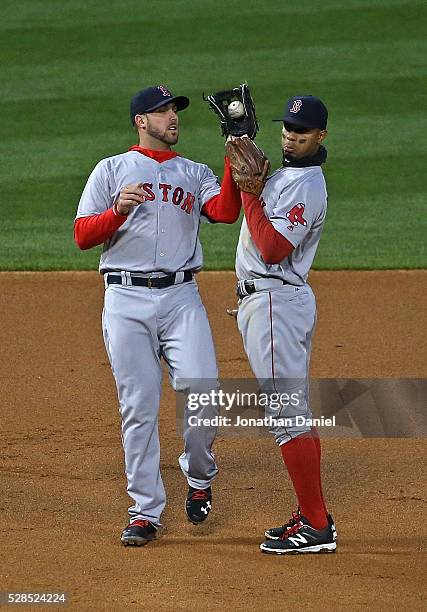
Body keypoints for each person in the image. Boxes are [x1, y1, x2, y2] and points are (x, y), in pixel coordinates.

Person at [74, 85, 241, 546]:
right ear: (140, 121)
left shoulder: (194, 171)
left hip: (181, 297)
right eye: (162, 110)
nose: (172, 116)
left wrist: (233, 153)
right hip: (125, 301)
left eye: (174, 109)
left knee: (203, 393)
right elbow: (83, 236)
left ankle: (200, 475)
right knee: (139, 408)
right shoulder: (110, 169)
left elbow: (224, 212)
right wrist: (116, 212)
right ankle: (145, 512)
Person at [233, 95, 337, 554]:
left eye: (301, 132)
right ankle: (313, 515)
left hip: (276, 298)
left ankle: (316, 525)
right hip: (270, 301)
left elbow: (273, 249)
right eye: (287, 129)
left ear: (320, 136)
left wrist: (251, 196)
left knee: (286, 415)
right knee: (291, 411)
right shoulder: (287, 174)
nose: (291, 137)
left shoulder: (308, 185)